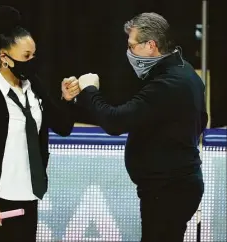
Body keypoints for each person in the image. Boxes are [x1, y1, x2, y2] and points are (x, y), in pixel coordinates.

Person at [76, 12, 208, 242]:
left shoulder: (167, 84)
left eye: (132, 46)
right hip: (176, 185)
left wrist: (89, 90)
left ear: (151, 46)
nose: (129, 52)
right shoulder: (184, 72)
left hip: (168, 190)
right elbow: (202, 121)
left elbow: (115, 122)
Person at [0, 6, 79, 242]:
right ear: (4, 57)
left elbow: (63, 127)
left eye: (33, 55)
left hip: (28, 199)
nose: (31, 62)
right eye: (25, 56)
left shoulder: (34, 84)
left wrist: (67, 99)